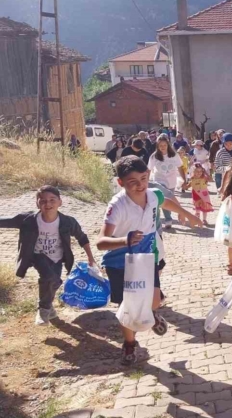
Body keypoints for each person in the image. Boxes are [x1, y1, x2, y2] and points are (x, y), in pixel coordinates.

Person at [97, 156, 201, 365]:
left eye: (144, 178)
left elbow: (165, 201)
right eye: (133, 182)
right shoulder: (117, 206)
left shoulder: (152, 195)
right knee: (128, 307)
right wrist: (124, 240)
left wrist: (187, 214)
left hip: (145, 259)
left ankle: (151, 315)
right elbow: (101, 242)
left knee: (154, 300)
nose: (140, 185)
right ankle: (129, 344)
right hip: (119, 263)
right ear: (121, 183)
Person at [1, 186, 97, 326]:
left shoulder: (68, 222)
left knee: (55, 281)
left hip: (57, 257)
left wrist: (90, 257)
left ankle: (49, 307)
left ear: (60, 202)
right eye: (43, 201)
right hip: (37, 255)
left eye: (52, 200)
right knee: (48, 277)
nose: (48, 204)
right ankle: (43, 309)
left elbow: (82, 237)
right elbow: (5, 221)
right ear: (37, 203)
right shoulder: (28, 220)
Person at [147, 134, 186, 229]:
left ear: (168, 145)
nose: (163, 147)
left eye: (164, 145)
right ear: (157, 146)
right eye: (160, 146)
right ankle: (168, 219)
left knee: (170, 199)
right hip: (159, 180)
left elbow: (180, 167)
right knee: (163, 198)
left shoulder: (174, 155)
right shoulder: (154, 156)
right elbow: (148, 169)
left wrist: (184, 179)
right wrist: (146, 182)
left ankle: (171, 216)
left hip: (171, 181)